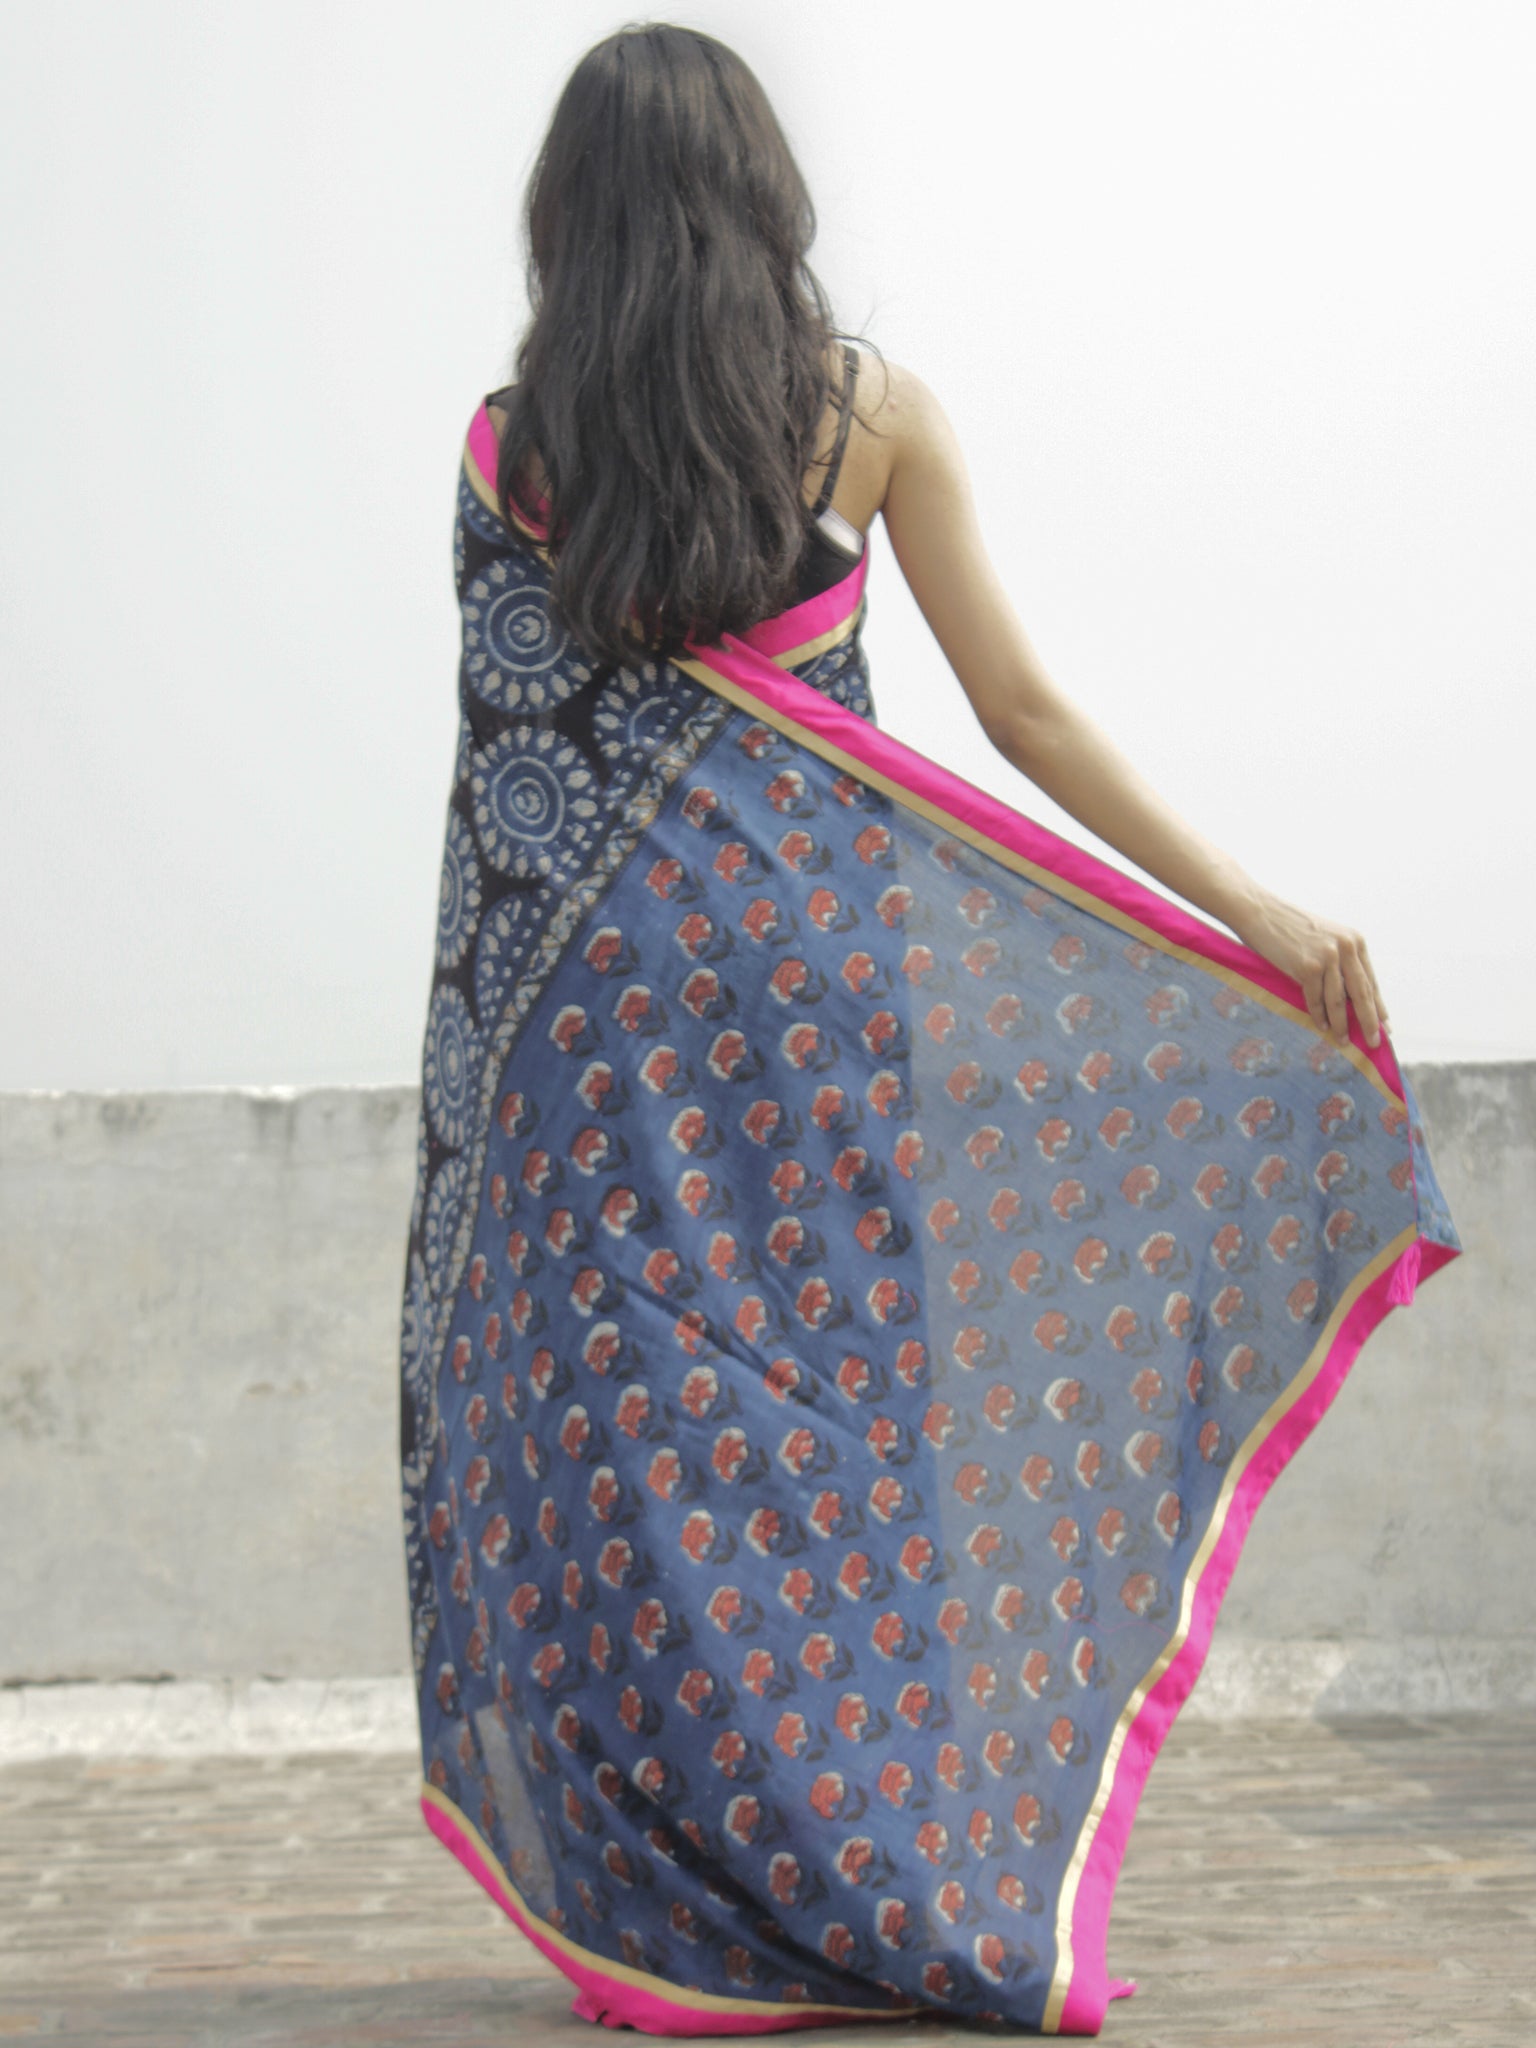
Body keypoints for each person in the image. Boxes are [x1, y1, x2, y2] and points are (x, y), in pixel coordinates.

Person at [398, 23, 1462, 2036]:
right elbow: (1022, 714)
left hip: (594, 1034)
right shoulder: (868, 416)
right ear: (762, 193)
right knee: (835, 1424)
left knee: (638, 1451)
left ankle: (673, 1896)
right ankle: (870, 1861)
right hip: (818, 993)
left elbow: (512, 788)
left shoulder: (506, 450)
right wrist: (1252, 910)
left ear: (570, 211)